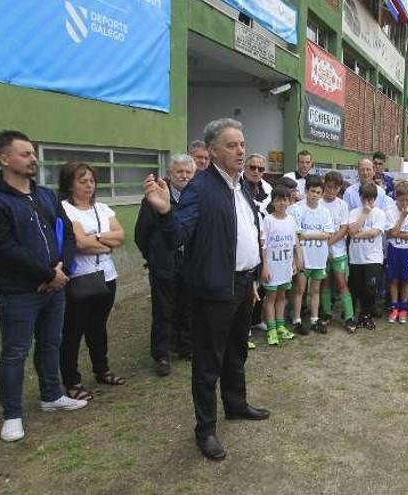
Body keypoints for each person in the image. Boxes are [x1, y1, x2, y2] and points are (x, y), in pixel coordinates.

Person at [142, 118, 269, 461]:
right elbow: (178, 235)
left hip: (243, 284)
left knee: (236, 351)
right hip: (213, 289)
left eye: (242, 144)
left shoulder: (242, 186)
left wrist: (253, 280)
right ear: (213, 151)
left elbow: (246, 233)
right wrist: (166, 211)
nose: (241, 150)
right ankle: (206, 430)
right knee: (208, 363)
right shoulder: (200, 187)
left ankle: (236, 404)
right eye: (232, 145)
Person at [0, 130, 86, 442]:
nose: (33, 158)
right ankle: (12, 414)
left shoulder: (46, 195)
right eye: (25, 154)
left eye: (33, 153)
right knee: (15, 352)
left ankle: (51, 395)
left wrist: (61, 269)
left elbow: (67, 232)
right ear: (4, 158)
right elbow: (4, 250)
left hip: (55, 286)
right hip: (19, 293)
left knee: (51, 344)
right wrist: (46, 275)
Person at [58, 161, 126, 400]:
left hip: (107, 277)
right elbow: (78, 243)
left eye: (91, 181)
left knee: (98, 327)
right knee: (73, 331)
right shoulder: (65, 209)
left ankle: (102, 370)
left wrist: (95, 238)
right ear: (69, 183)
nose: (88, 185)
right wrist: (105, 245)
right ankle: (71, 380)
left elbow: (121, 236)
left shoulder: (103, 208)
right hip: (80, 278)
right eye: (82, 180)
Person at [135, 154, 196, 376]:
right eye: (179, 172)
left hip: (189, 263)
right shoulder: (154, 198)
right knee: (163, 310)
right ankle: (161, 355)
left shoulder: (196, 198)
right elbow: (141, 234)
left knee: (187, 306)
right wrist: (152, 258)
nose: (184, 176)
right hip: (164, 263)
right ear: (170, 174)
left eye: (189, 172)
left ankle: (185, 347)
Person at [289, 175, 334, 335]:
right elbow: (295, 235)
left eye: (318, 192)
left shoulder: (325, 211)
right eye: (312, 191)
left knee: (315, 290)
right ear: (306, 191)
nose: (314, 194)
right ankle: (297, 320)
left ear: (322, 194)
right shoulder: (297, 209)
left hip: (319, 257)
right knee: (300, 289)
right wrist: (316, 234)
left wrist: (306, 235)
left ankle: (314, 320)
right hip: (302, 257)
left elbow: (328, 234)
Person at [318, 171, 357, 333]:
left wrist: (328, 243)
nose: (330, 190)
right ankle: (326, 313)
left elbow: (344, 229)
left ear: (339, 188)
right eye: (328, 187)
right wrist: (323, 246)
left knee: (341, 283)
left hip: (338, 251)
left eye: (334, 188)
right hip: (320, 252)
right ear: (324, 185)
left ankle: (349, 316)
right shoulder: (318, 203)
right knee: (325, 283)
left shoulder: (342, 205)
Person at [262, 187, 300, 345]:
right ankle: (271, 330)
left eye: (285, 199)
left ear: (289, 201)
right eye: (278, 199)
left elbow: (293, 243)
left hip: (285, 266)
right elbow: (263, 245)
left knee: (282, 297)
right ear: (273, 202)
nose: (282, 203)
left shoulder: (291, 220)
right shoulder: (268, 220)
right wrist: (264, 266)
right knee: (270, 298)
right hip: (272, 266)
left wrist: (294, 261)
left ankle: (280, 326)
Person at [347, 183, 388, 330]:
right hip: (356, 258)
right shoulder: (353, 213)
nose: (367, 202)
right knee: (356, 288)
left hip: (373, 258)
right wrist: (364, 213)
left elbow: (375, 232)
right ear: (360, 197)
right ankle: (356, 315)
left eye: (370, 199)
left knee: (371, 287)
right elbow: (351, 230)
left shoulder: (380, 213)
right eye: (365, 198)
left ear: (375, 198)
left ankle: (367, 315)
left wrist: (357, 233)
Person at [385, 181, 408, 323]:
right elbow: (390, 234)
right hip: (394, 249)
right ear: (396, 198)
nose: (404, 203)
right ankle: (394, 307)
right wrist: (401, 218)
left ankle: (404, 308)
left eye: (407, 200)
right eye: (401, 200)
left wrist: (397, 233)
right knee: (394, 279)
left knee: (407, 280)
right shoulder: (390, 211)